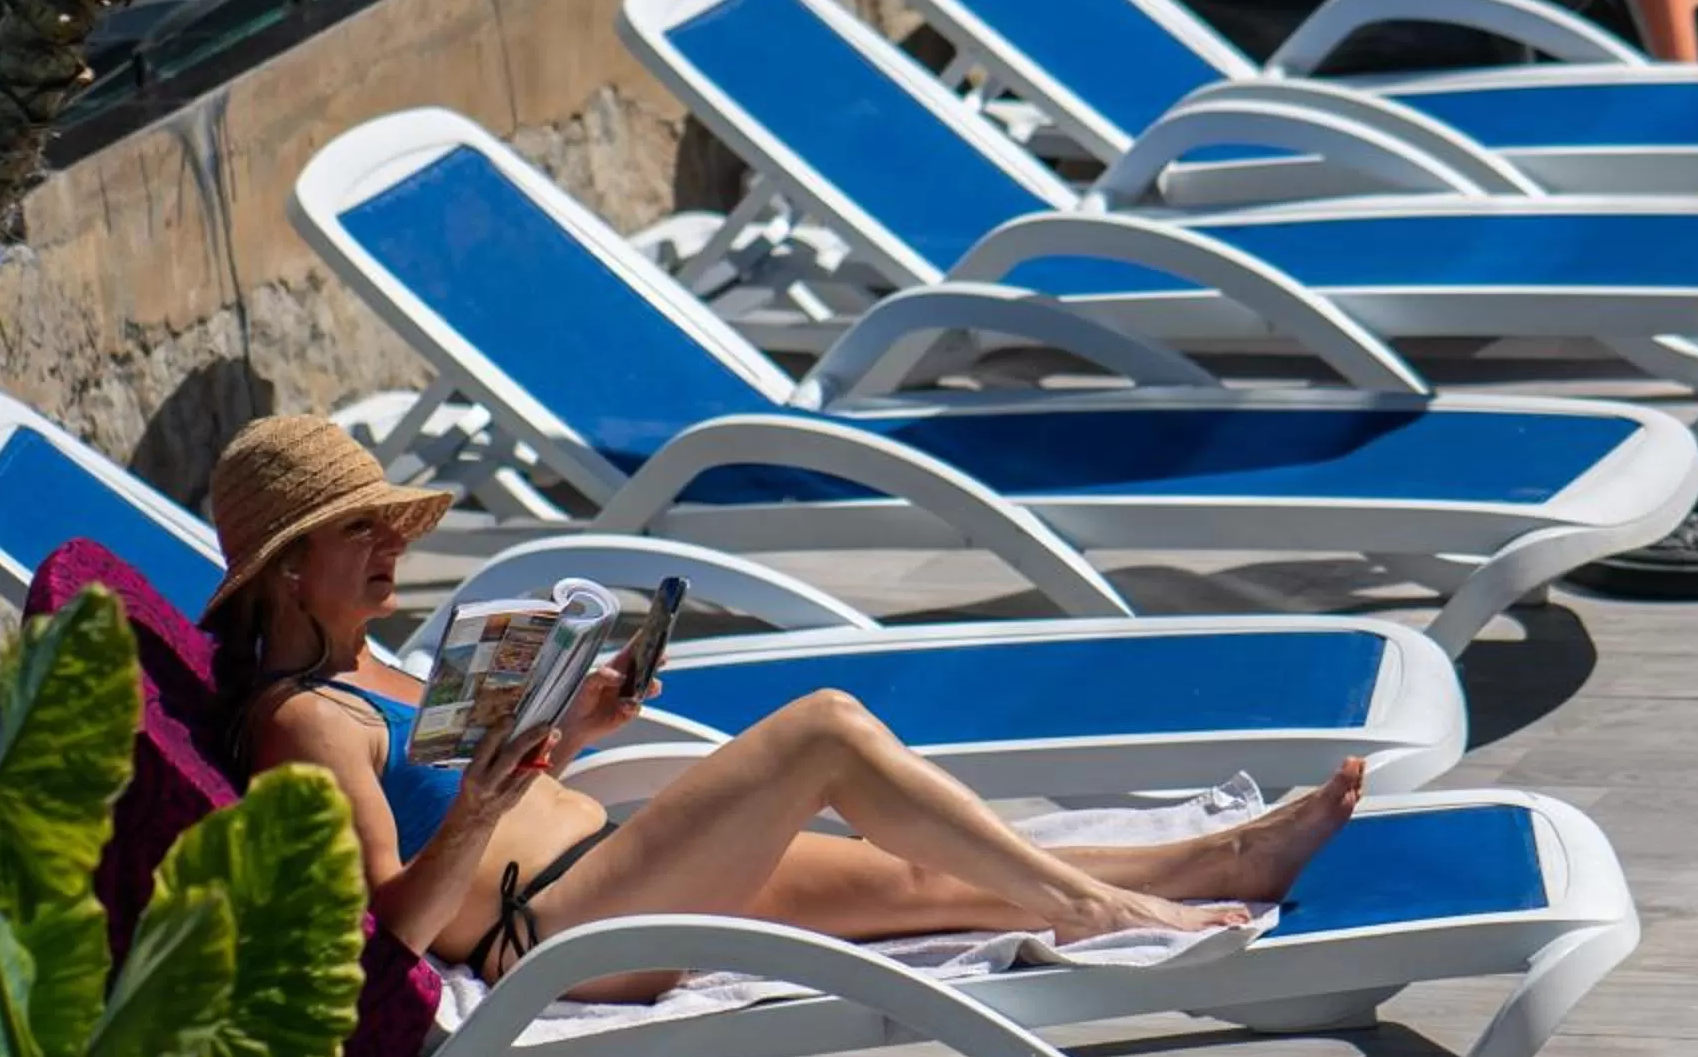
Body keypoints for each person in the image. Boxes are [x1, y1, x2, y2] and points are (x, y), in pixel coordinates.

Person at [201, 416, 1363, 1003]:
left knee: (925, 885)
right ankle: (1102, 909)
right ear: (289, 565)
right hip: (553, 931)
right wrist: (480, 809)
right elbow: (386, 934)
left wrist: (579, 726)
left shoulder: (382, 665)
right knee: (822, 726)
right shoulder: (302, 723)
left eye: (393, 524)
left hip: (609, 873)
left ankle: (1228, 854)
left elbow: (491, 796)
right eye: (364, 529)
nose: (393, 545)